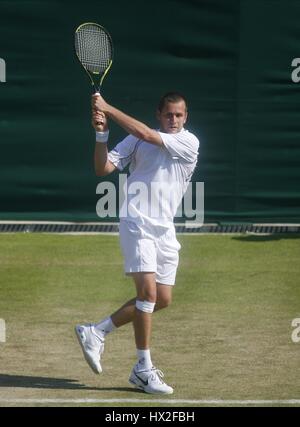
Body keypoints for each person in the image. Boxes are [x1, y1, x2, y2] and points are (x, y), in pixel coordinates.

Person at [75, 92, 199, 395]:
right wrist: (101, 134)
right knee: (147, 294)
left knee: (163, 299)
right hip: (136, 222)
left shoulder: (189, 142)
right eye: (169, 114)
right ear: (159, 114)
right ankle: (142, 370)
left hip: (164, 231)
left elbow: (143, 132)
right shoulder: (137, 140)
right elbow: (103, 168)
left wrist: (107, 107)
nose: (173, 120)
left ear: (185, 118)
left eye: (179, 115)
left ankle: (96, 331)